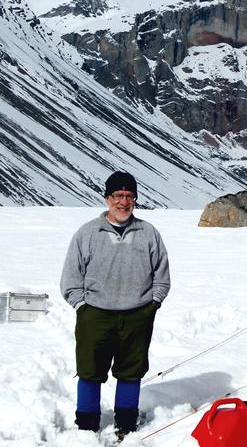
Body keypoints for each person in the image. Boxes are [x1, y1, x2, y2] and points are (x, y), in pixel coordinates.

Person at [60, 171, 170, 439]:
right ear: (107, 198)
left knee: (131, 371)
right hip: (95, 315)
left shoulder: (148, 233)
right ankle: (86, 425)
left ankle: (126, 423)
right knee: (89, 370)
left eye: (129, 196)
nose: (124, 202)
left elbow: (162, 275)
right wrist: (82, 306)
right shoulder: (87, 233)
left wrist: (151, 304)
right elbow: (71, 278)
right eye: (118, 196)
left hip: (138, 315)